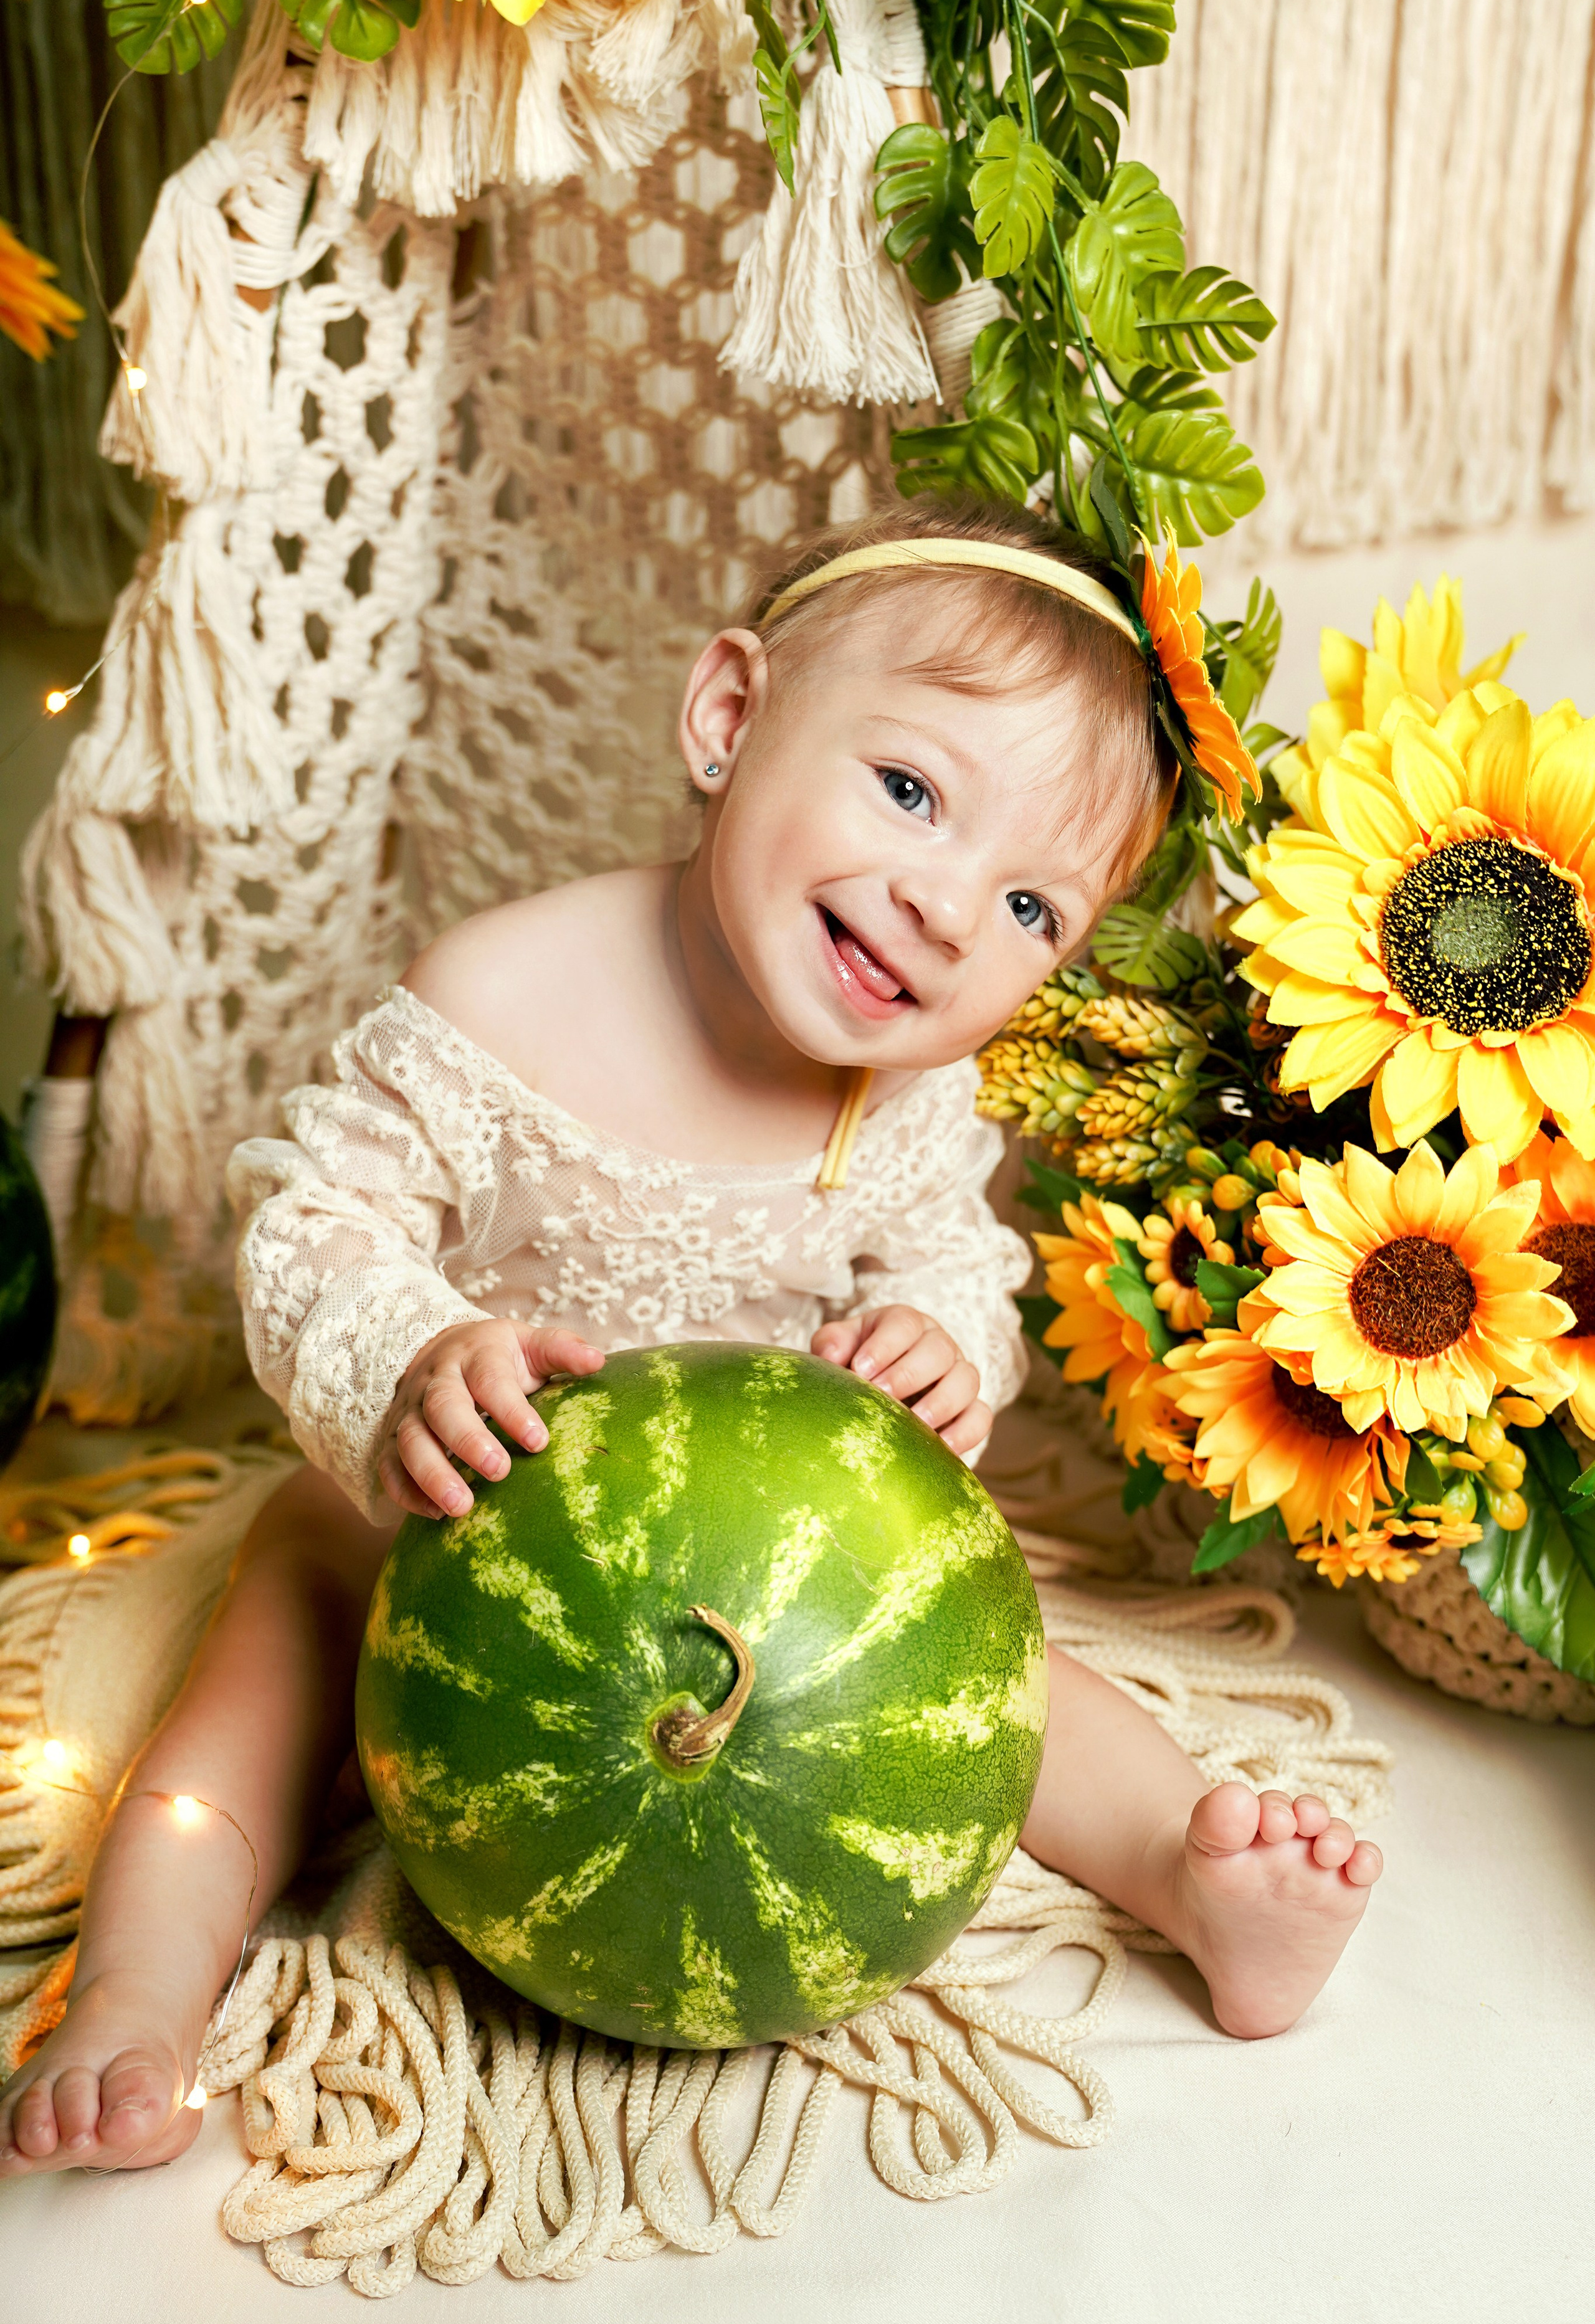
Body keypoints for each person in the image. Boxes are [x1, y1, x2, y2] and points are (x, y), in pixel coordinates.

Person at [0, 499, 1382, 2179]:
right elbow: (313, 1220)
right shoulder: (505, 988)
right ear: (729, 719)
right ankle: (137, 2001)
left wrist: (943, 1341)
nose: (952, 912)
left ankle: (1191, 1869)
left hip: (771, 1582)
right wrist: (415, 1363)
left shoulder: (915, 1094)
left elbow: (958, 1259)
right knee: (249, 1693)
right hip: (445, 1517)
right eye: (912, 792)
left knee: (1007, 1683)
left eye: (1035, 909)